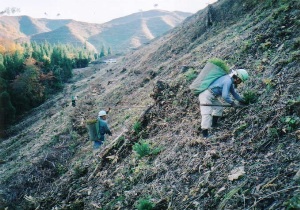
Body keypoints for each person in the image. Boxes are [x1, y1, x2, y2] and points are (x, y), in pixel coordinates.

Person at [199, 69, 249, 138]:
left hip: (212, 95)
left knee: (219, 107)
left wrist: (242, 100)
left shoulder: (229, 80)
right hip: (206, 95)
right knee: (206, 113)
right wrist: (232, 103)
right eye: (240, 81)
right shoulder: (227, 81)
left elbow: (234, 93)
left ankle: (214, 124)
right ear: (237, 78)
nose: (239, 82)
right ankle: (205, 134)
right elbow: (225, 96)